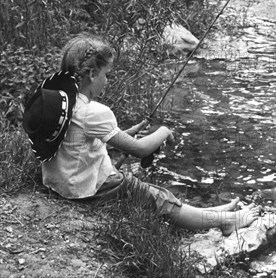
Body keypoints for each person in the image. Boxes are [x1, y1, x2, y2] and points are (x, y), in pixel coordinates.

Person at [40, 34, 260, 234]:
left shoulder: (60, 101)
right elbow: (141, 149)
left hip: (60, 181)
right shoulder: (95, 112)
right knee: (157, 197)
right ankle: (224, 221)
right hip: (83, 189)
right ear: (91, 74)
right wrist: (164, 131)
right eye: (106, 75)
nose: (107, 81)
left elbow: (77, 143)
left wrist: (124, 134)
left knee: (148, 189)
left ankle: (213, 213)